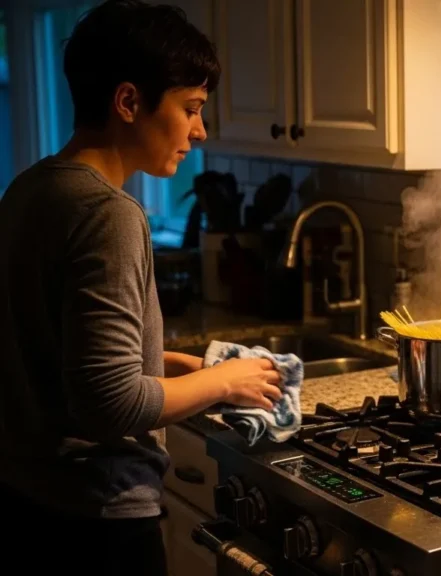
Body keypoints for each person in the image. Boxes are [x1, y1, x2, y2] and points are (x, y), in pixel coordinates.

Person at [0, 2, 284, 574]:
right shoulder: (111, 213)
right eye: (190, 109)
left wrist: (180, 366)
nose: (199, 131)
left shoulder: (29, 189)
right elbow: (108, 404)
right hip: (95, 520)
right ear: (129, 102)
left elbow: (59, 357)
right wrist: (220, 379)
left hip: (25, 499)